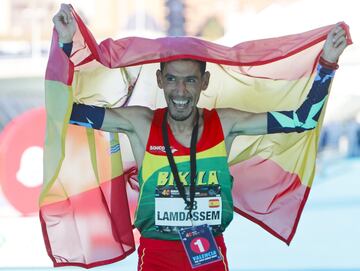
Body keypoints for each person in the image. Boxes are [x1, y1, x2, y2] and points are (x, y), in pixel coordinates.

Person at [52, 3, 348, 271]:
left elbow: (303, 120)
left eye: (190, 80)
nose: (180, 92)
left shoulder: (226, 124)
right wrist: (65, 45)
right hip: (157, 257)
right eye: (172, 79)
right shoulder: (140, 123)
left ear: (204, 82)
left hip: (208, 255)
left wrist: (328, 63)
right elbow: (66, 111)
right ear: (160, 81)